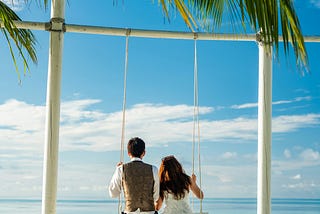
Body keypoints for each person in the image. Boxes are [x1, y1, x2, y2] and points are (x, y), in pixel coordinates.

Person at [109, 137, 159, 214]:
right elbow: (156, 196)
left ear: (129, 153)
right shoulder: (154, 169)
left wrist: (117, 170)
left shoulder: (121, 169)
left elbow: (113, 193)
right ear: (144, 153)